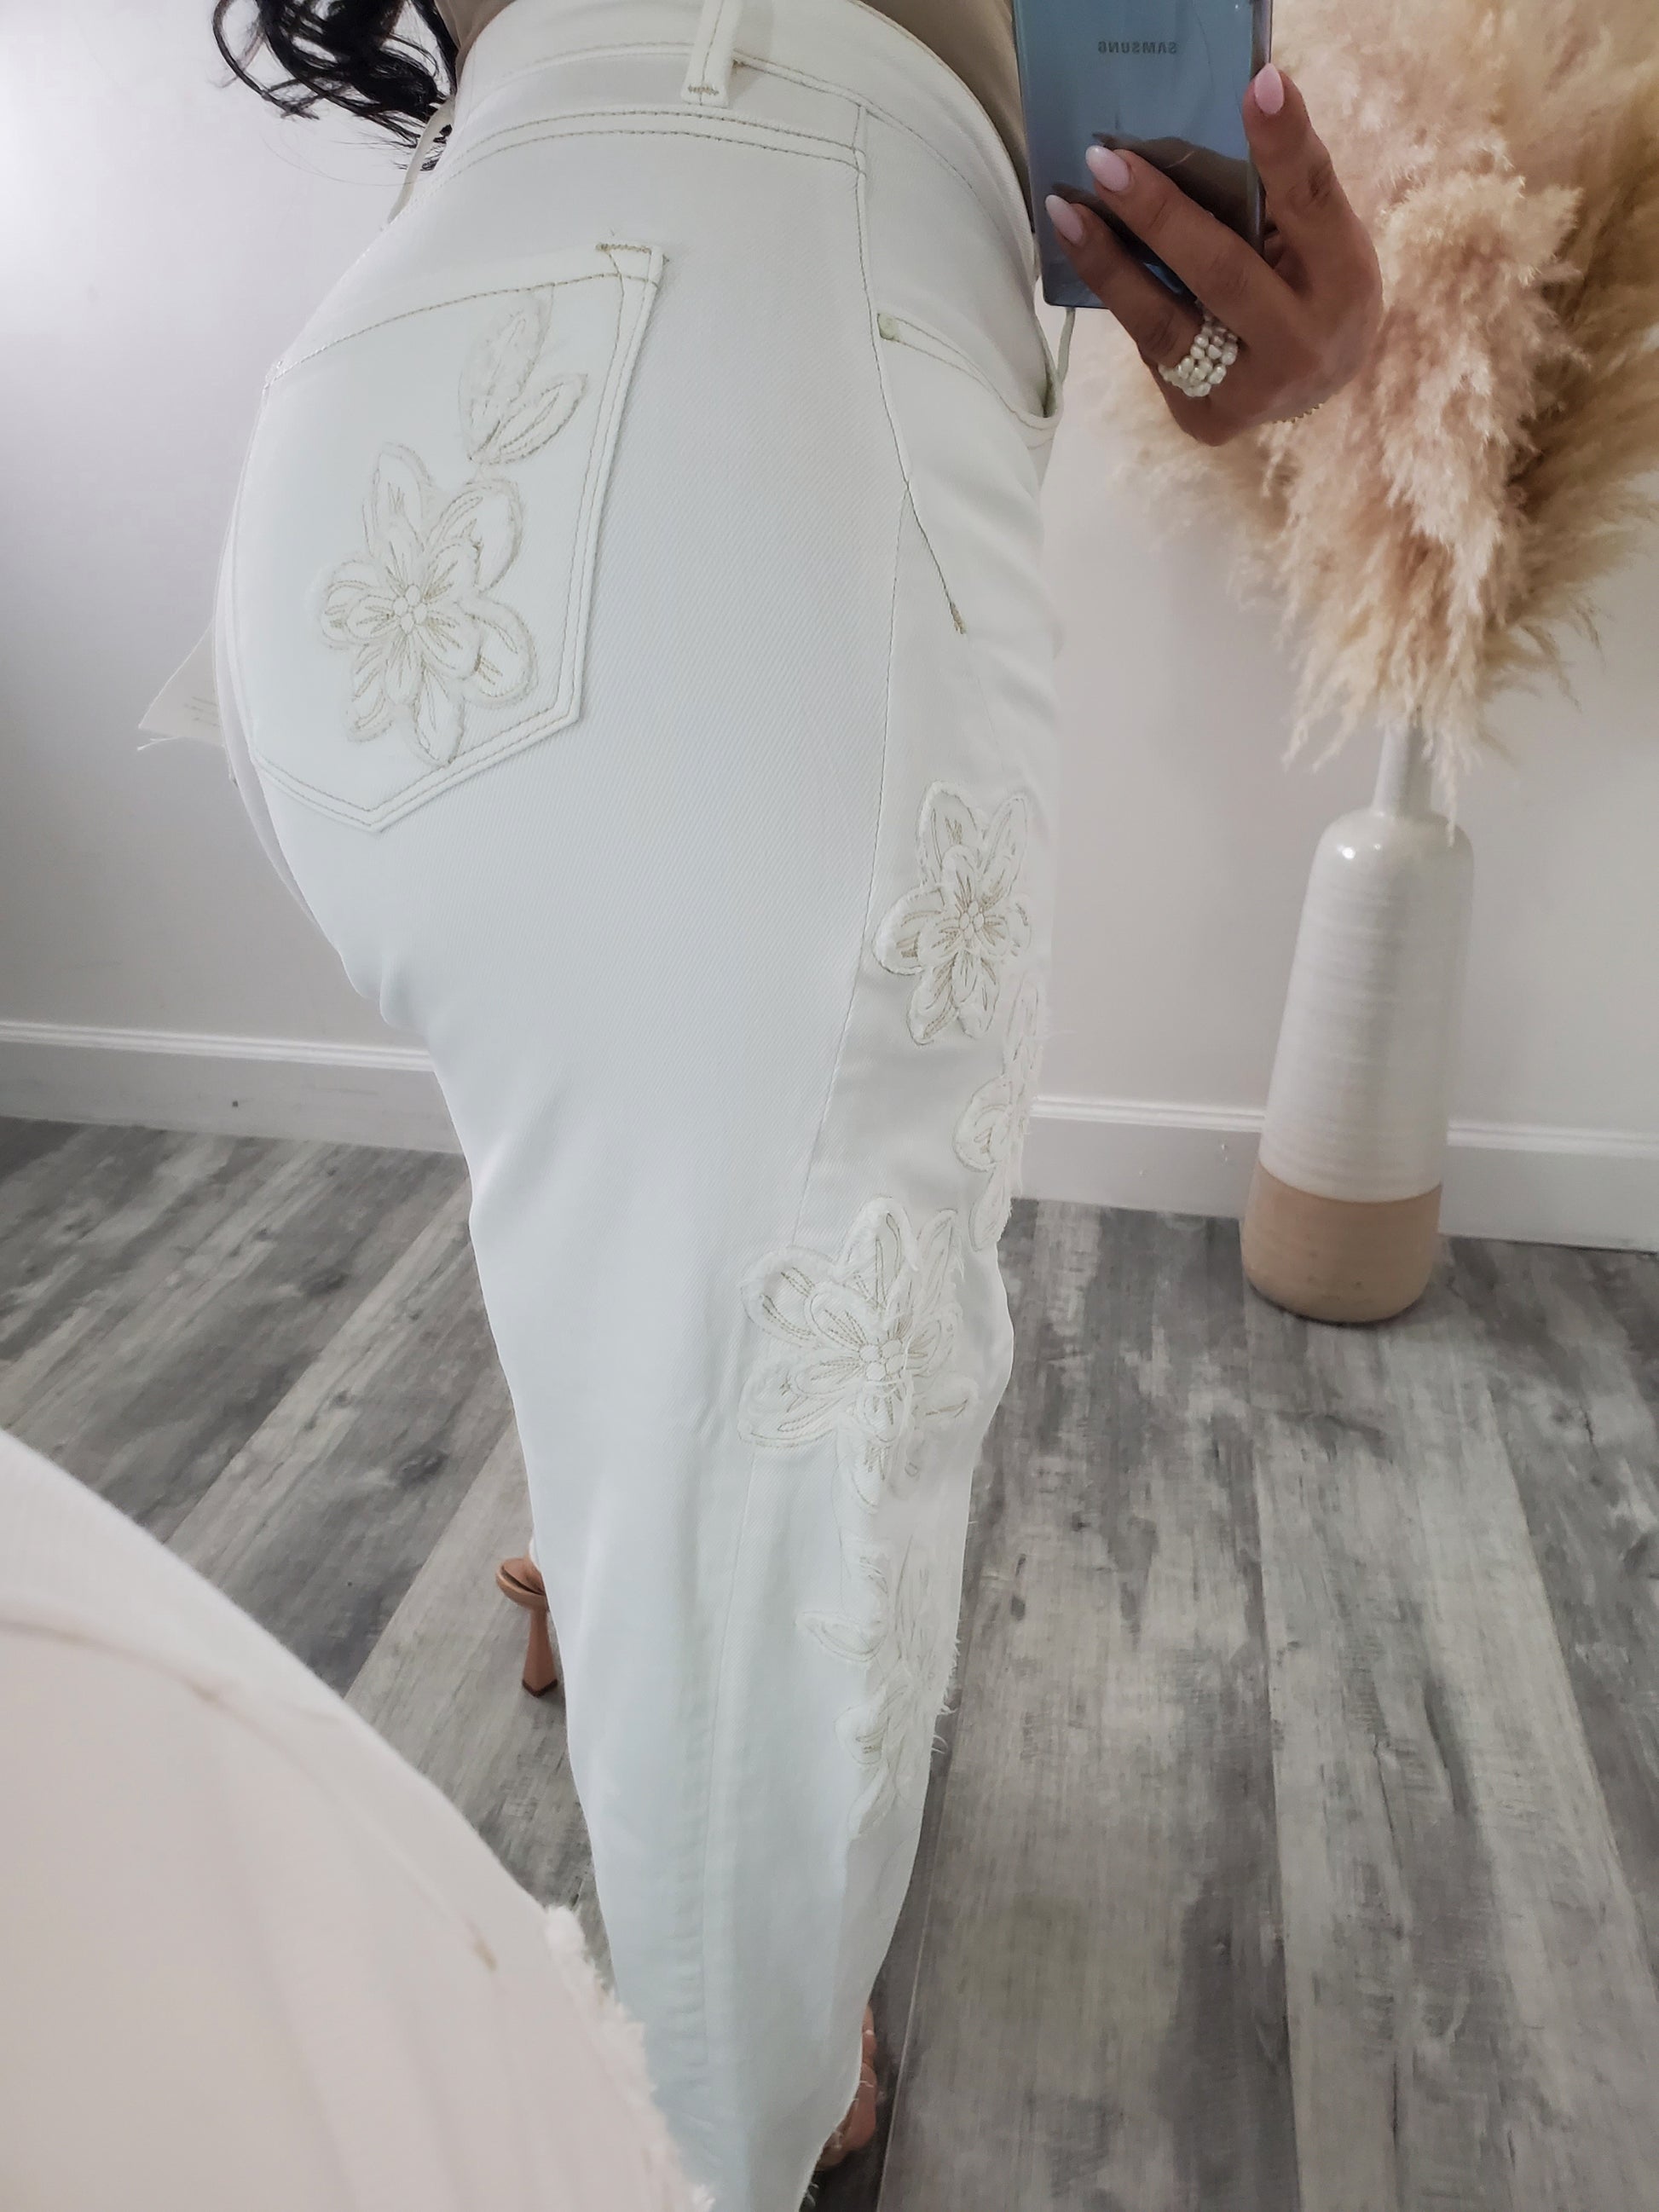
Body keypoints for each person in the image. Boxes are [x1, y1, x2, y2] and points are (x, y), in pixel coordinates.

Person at [203, 3, 1382, 2205]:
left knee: (619, 1214)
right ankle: (722, 2131)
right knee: (792, 1487)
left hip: (379, 426)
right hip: (759, 417)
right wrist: (1283, 346)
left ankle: (596, 1579)